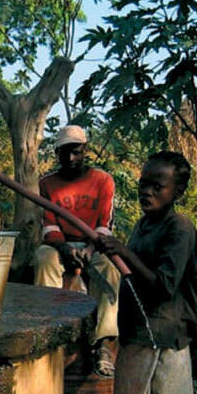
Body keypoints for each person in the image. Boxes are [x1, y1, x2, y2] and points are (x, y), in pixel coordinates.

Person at [96, 151, 197, 394]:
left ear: (177, 191)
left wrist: (122, 252)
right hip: (136, 338)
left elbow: (163, 286)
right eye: (144, 184)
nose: (147, 192)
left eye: (158, 186)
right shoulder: (145, 225)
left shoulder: (180, 229)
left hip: (164, 346)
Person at [35, 125, 120, 378]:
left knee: (111, 270)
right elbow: (48, 225)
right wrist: (64, 248)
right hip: (61, 244)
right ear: (57, 153)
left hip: (95, 243)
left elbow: (105, 225)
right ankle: (46, 330)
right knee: (43, 259)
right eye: (64, 153)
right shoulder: (47, 183)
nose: (70, 158)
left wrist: (92, 247)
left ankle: (104, 341)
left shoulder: (103, 181)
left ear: (85, 150)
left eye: (76, 152)